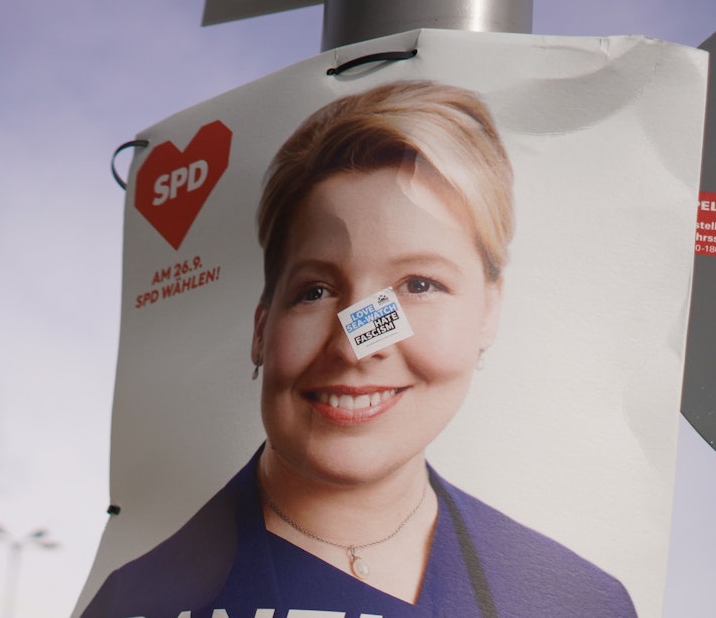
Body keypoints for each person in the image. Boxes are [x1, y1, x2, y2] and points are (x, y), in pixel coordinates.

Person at [81, 81, 636, 618]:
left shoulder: (584, 604)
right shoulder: (133, 604)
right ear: (261, 324)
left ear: (489, 310)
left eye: (419, 285)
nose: (355, 344)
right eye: (315, 292)